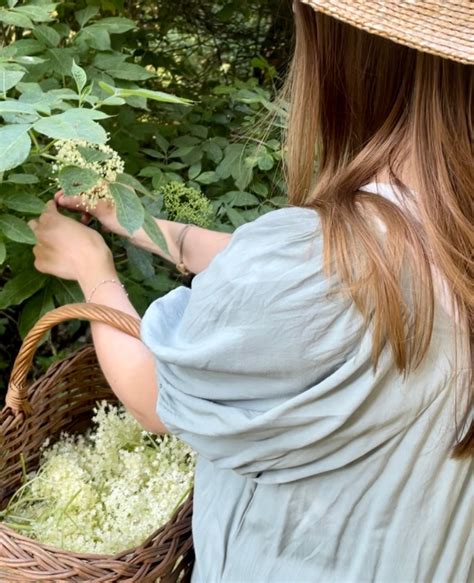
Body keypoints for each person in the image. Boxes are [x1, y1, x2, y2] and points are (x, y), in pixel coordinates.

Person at [29, 0, 472, 581]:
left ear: (352, 53)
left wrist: (92, 269)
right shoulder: (441, 229)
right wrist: (145, 225)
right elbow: (324, 274)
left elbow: (154, 396)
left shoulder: (318, 264)